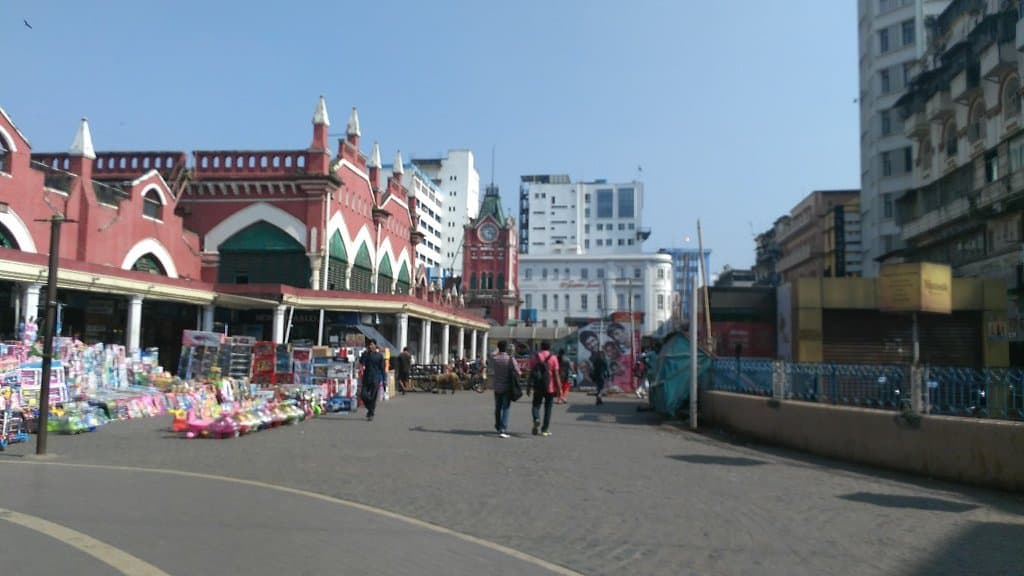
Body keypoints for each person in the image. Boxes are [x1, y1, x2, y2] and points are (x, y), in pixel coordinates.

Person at [527, 341, 561, 436]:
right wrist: (559, 389)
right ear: (549, 347)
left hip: (537, 386)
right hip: (549, 387)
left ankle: (536, 418)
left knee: (536, 405)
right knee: (548, 408)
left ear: (541, 347)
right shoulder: (553, 358)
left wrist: (529, 386)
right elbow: (556, 374)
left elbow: (531, 373)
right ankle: (545, 429)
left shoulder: (534, 357)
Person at [487, 341, 519, 438]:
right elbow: (518, 372)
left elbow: (491, 355)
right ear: (506, 348)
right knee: (506, 408)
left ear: (499, 348)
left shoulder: (495, 358)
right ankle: (503, 428)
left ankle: (497, 425)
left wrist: (497, 350)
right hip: (507, 387)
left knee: (498, 407)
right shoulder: (510, 359)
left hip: (497, 386)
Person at [358, 339, 386, 421]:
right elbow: (361, 363)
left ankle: (370, 413)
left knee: (373, 397)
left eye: (372, 344)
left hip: (375, 378)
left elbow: (382, 369)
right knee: (363, 395)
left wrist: (384, 380)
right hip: (366, 377)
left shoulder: (379, 356)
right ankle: (370, 409)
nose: (370, 346)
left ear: (375, 346)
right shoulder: (365, 354)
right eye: (369, 345)